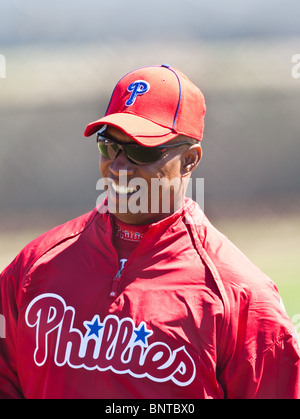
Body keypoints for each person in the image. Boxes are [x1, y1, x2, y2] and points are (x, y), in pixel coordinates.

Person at [0, 64, 299, 399]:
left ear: (190, 160)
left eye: (142, 151)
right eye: (109, 145)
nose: (118, 166)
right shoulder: (32, 269)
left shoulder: (240, 294)